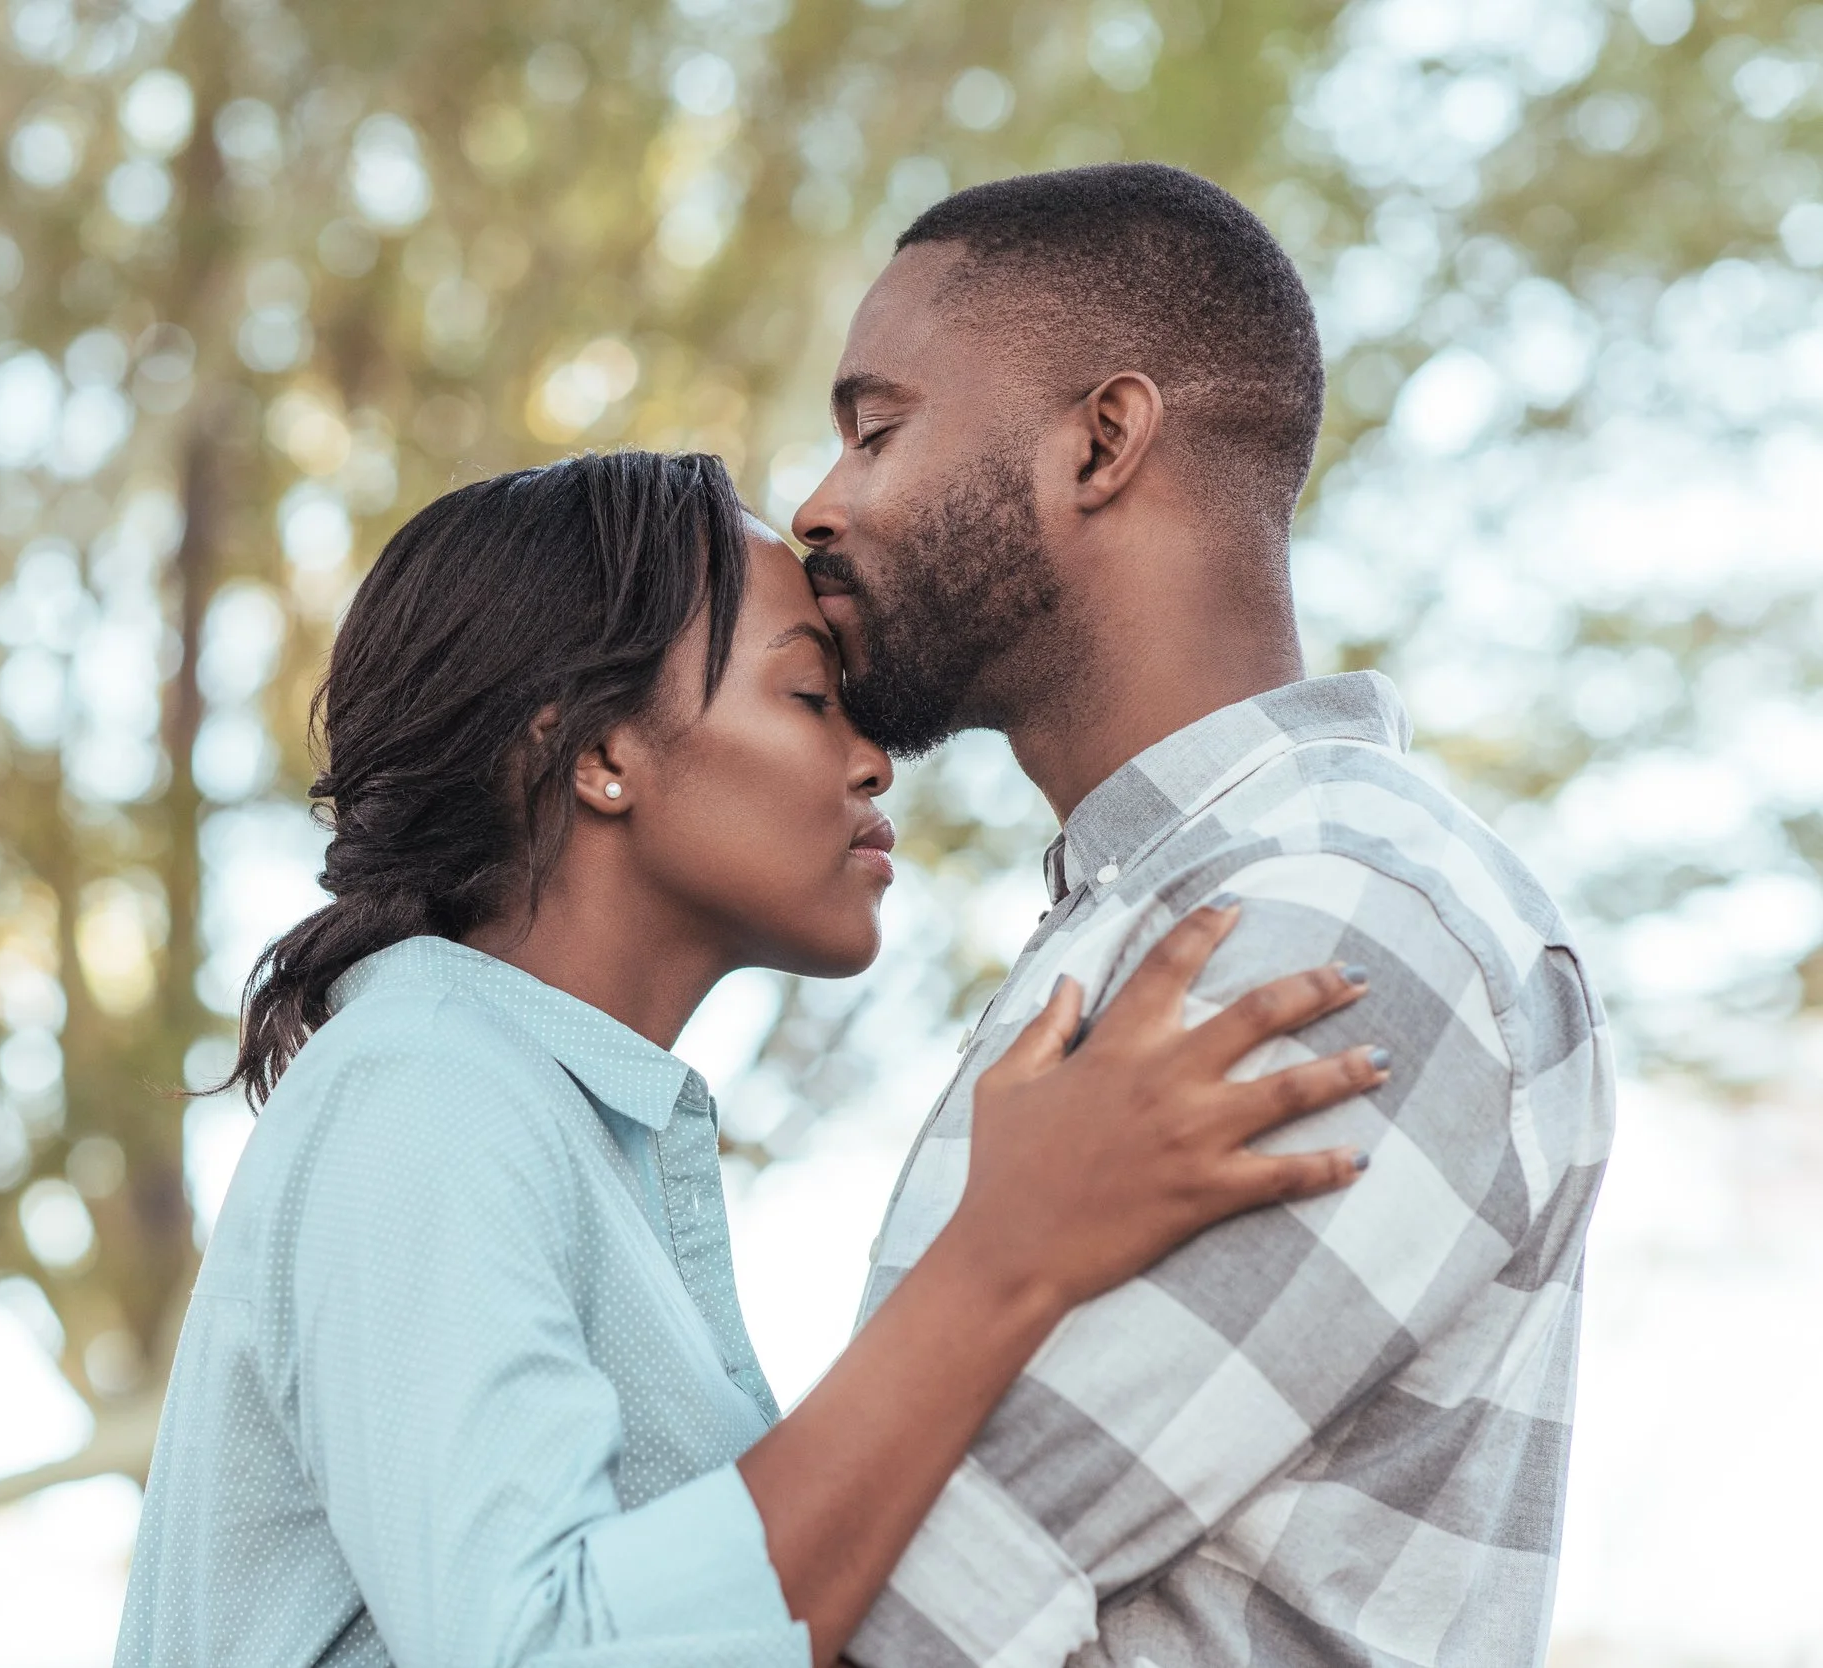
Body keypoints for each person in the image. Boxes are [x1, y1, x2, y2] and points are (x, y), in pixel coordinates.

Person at [111, 450, 1394, 1668]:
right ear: (600, 755)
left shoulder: (554, 1125)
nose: (874, 759)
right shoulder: (424, 1091)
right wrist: (1006, 1255)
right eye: (808, 697)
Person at [793, 163, 1615, 1667]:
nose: (819, 499)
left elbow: (887, 1614)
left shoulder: (1334, 913)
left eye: (877, 427)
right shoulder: (1173, 905)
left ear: (1102, 440)